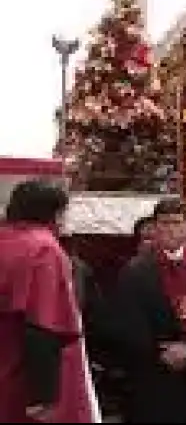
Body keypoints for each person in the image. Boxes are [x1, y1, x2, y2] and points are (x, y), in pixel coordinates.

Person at [112, 198, 186, 423]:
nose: (170, 229)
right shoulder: (135, 270)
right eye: (164, 223)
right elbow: (129, 322)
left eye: (176, 223)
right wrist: (162, 353)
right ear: (155, 227)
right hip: (156, 371)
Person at [0, 179, 101, 422]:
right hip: (28, 372)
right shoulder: (43, 248)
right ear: (54, 214)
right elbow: (43, 322)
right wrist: (42, 395)